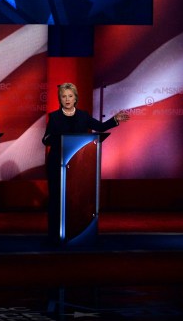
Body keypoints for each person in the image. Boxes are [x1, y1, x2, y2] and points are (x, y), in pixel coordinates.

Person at [42, 83, 129, 240]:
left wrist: (114, 120)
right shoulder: (54, 117)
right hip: (57, 163)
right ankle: (54, 235)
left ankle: (77, 232)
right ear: (59, 99)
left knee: (76, 198)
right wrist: (54, 138)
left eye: (70, 96)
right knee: (56, 198)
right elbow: (46, 139)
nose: (67, 99)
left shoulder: (83, 116)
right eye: (63, 96)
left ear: (76, 98)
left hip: (78, 165)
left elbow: (100, 127)